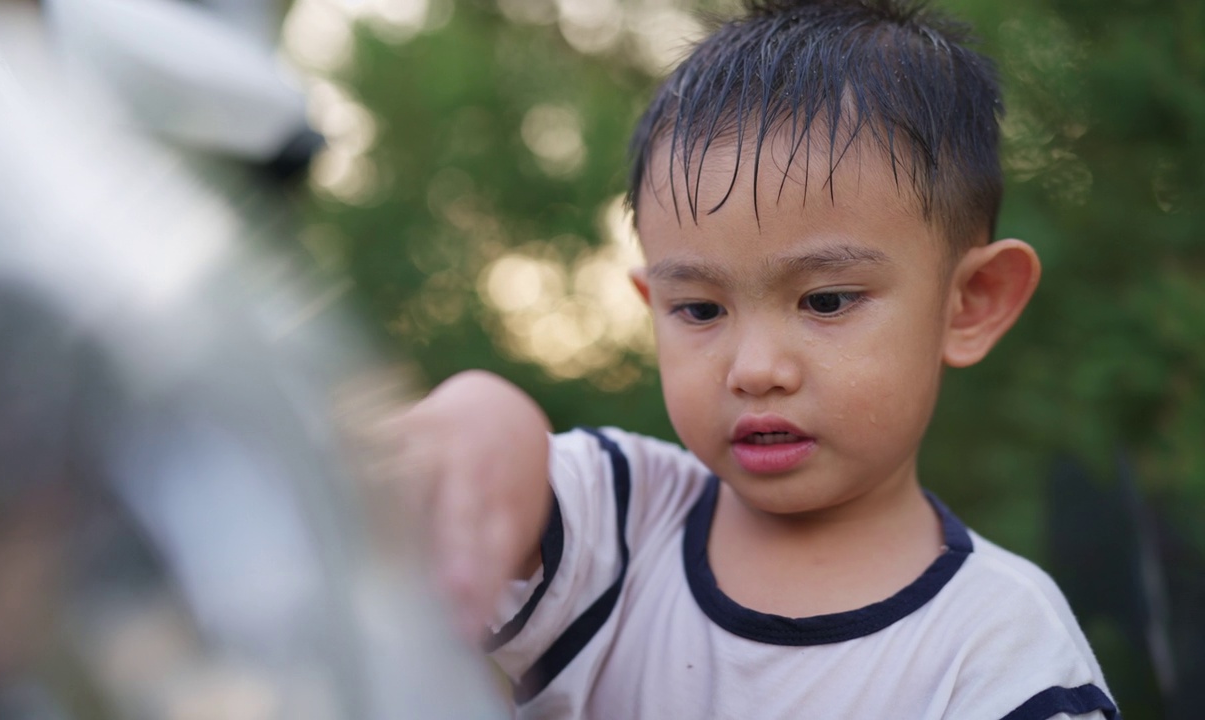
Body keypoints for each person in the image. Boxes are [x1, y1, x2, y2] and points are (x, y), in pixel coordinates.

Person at [392, 1, 1119, 717]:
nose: (755, 368)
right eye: (701, 310)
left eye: (827, 301)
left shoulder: (1002, 650)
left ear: (971, 302)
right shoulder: (619, 525)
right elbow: (483, 486)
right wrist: (485, 411)